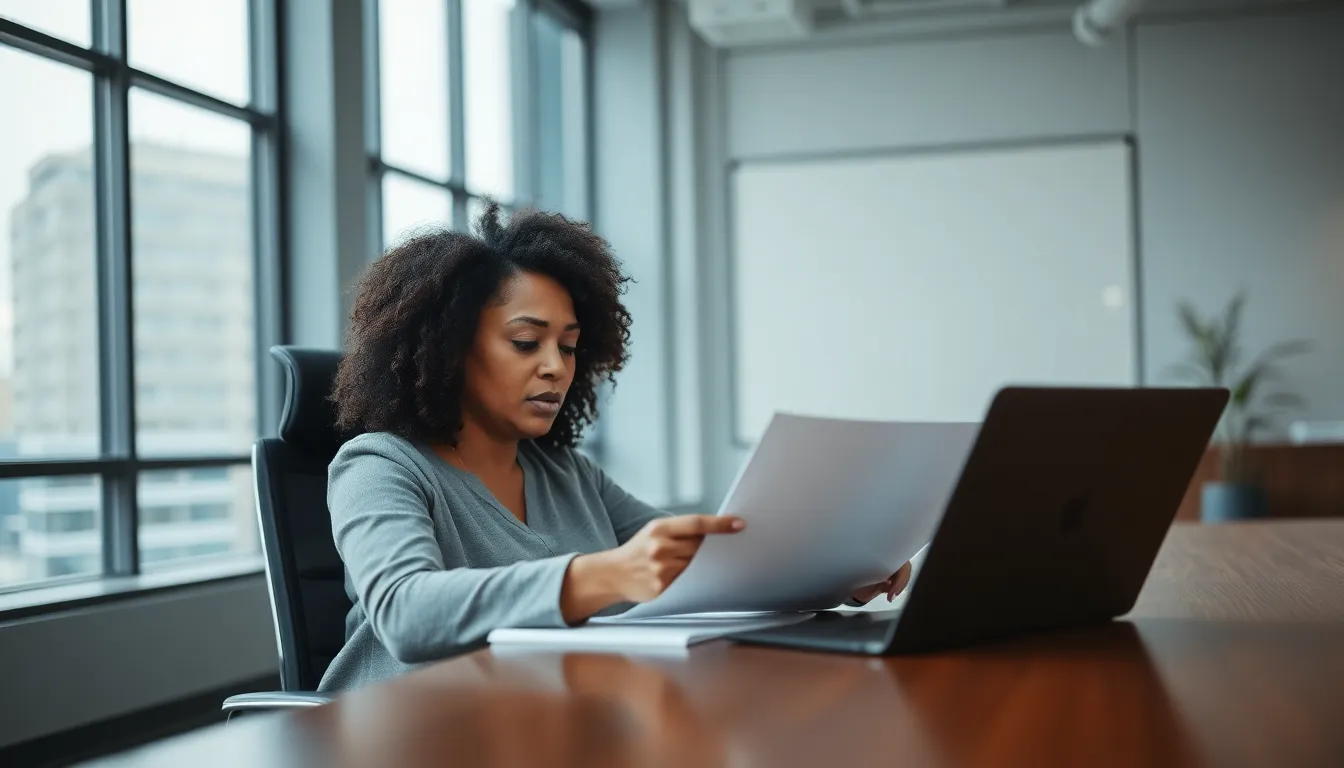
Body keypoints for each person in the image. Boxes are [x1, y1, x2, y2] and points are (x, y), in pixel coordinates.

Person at [318, 203, 912, 691]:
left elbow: (704, 563)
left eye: (570, 347)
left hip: (547, 723)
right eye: (526, 343)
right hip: (409, 738)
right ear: (446, 350)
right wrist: (605, 575)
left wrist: (834, 569)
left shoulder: (565, 472)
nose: (555, 368)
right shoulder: (378, 466)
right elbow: (406, 611)